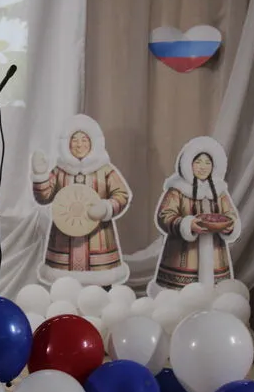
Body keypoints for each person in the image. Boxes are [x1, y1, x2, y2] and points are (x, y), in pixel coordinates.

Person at [31, 114, 132, 287]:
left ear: (93, 143)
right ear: (67, 144)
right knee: (64, 290)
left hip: (98, 239)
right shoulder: (60, 171)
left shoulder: (105, 170)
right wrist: (40, 176)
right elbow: (44, 197)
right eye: (74, 140)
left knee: (100, 292)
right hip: (63, 243)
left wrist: (106, 207)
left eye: (84, 140)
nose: (79, 145)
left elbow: (121, 195)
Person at [148, 136, 240, 295]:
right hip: (183, 255)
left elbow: (230, 214)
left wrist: (229, 225)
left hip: (215, 255)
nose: (203, 167)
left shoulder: (219, 191)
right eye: (198, 162)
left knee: (217, 296)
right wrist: (187, 224)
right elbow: (164, 216)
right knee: (182, 298)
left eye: (207, 163)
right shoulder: (177, 190)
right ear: (189, 164)